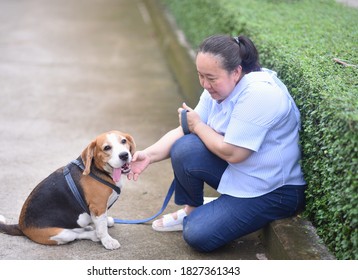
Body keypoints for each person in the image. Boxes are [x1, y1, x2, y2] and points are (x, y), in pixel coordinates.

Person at [127, 34, 306, 252]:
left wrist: (199, 126)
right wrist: (149, 155)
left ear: (236, 72)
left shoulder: (261, 93)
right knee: (185, 148)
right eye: (200, 76)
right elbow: (184, 130)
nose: (205, 84)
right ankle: (192, 209)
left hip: (272, 190)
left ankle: (206, 213)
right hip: (240, 173)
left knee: (197, 234)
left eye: (211, 78)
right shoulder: (220, 85)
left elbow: (234, 153)